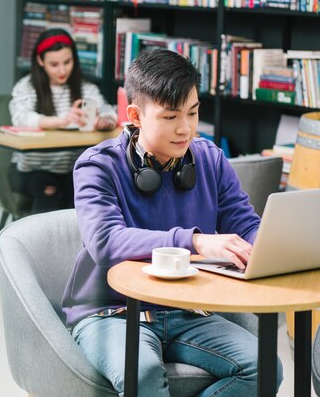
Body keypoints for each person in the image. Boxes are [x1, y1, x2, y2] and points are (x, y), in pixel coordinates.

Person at [61, 49, 283, 396]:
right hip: (111, 311)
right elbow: (106, 242)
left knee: (266, 367)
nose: (186, 128)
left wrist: (272, 247)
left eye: (193, 113)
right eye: (170, 117)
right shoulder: (97, 166)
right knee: (143, 373)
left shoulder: (209, 159)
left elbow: (245, 224)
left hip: (187, 307)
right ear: (134, 115)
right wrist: (194, 241)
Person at [8, 28, 117, 214]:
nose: (62, 70)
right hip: (31, 170)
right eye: (54, 64)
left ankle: (80, 242)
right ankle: (39, 243)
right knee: (48, 188)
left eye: (67, 62)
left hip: (69, 169)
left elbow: (109, 111)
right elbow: (20, 118)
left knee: (88, 187)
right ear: (40, 61)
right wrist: (62, 121)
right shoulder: (26, 87)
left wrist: (105, 121)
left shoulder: (86, 88)